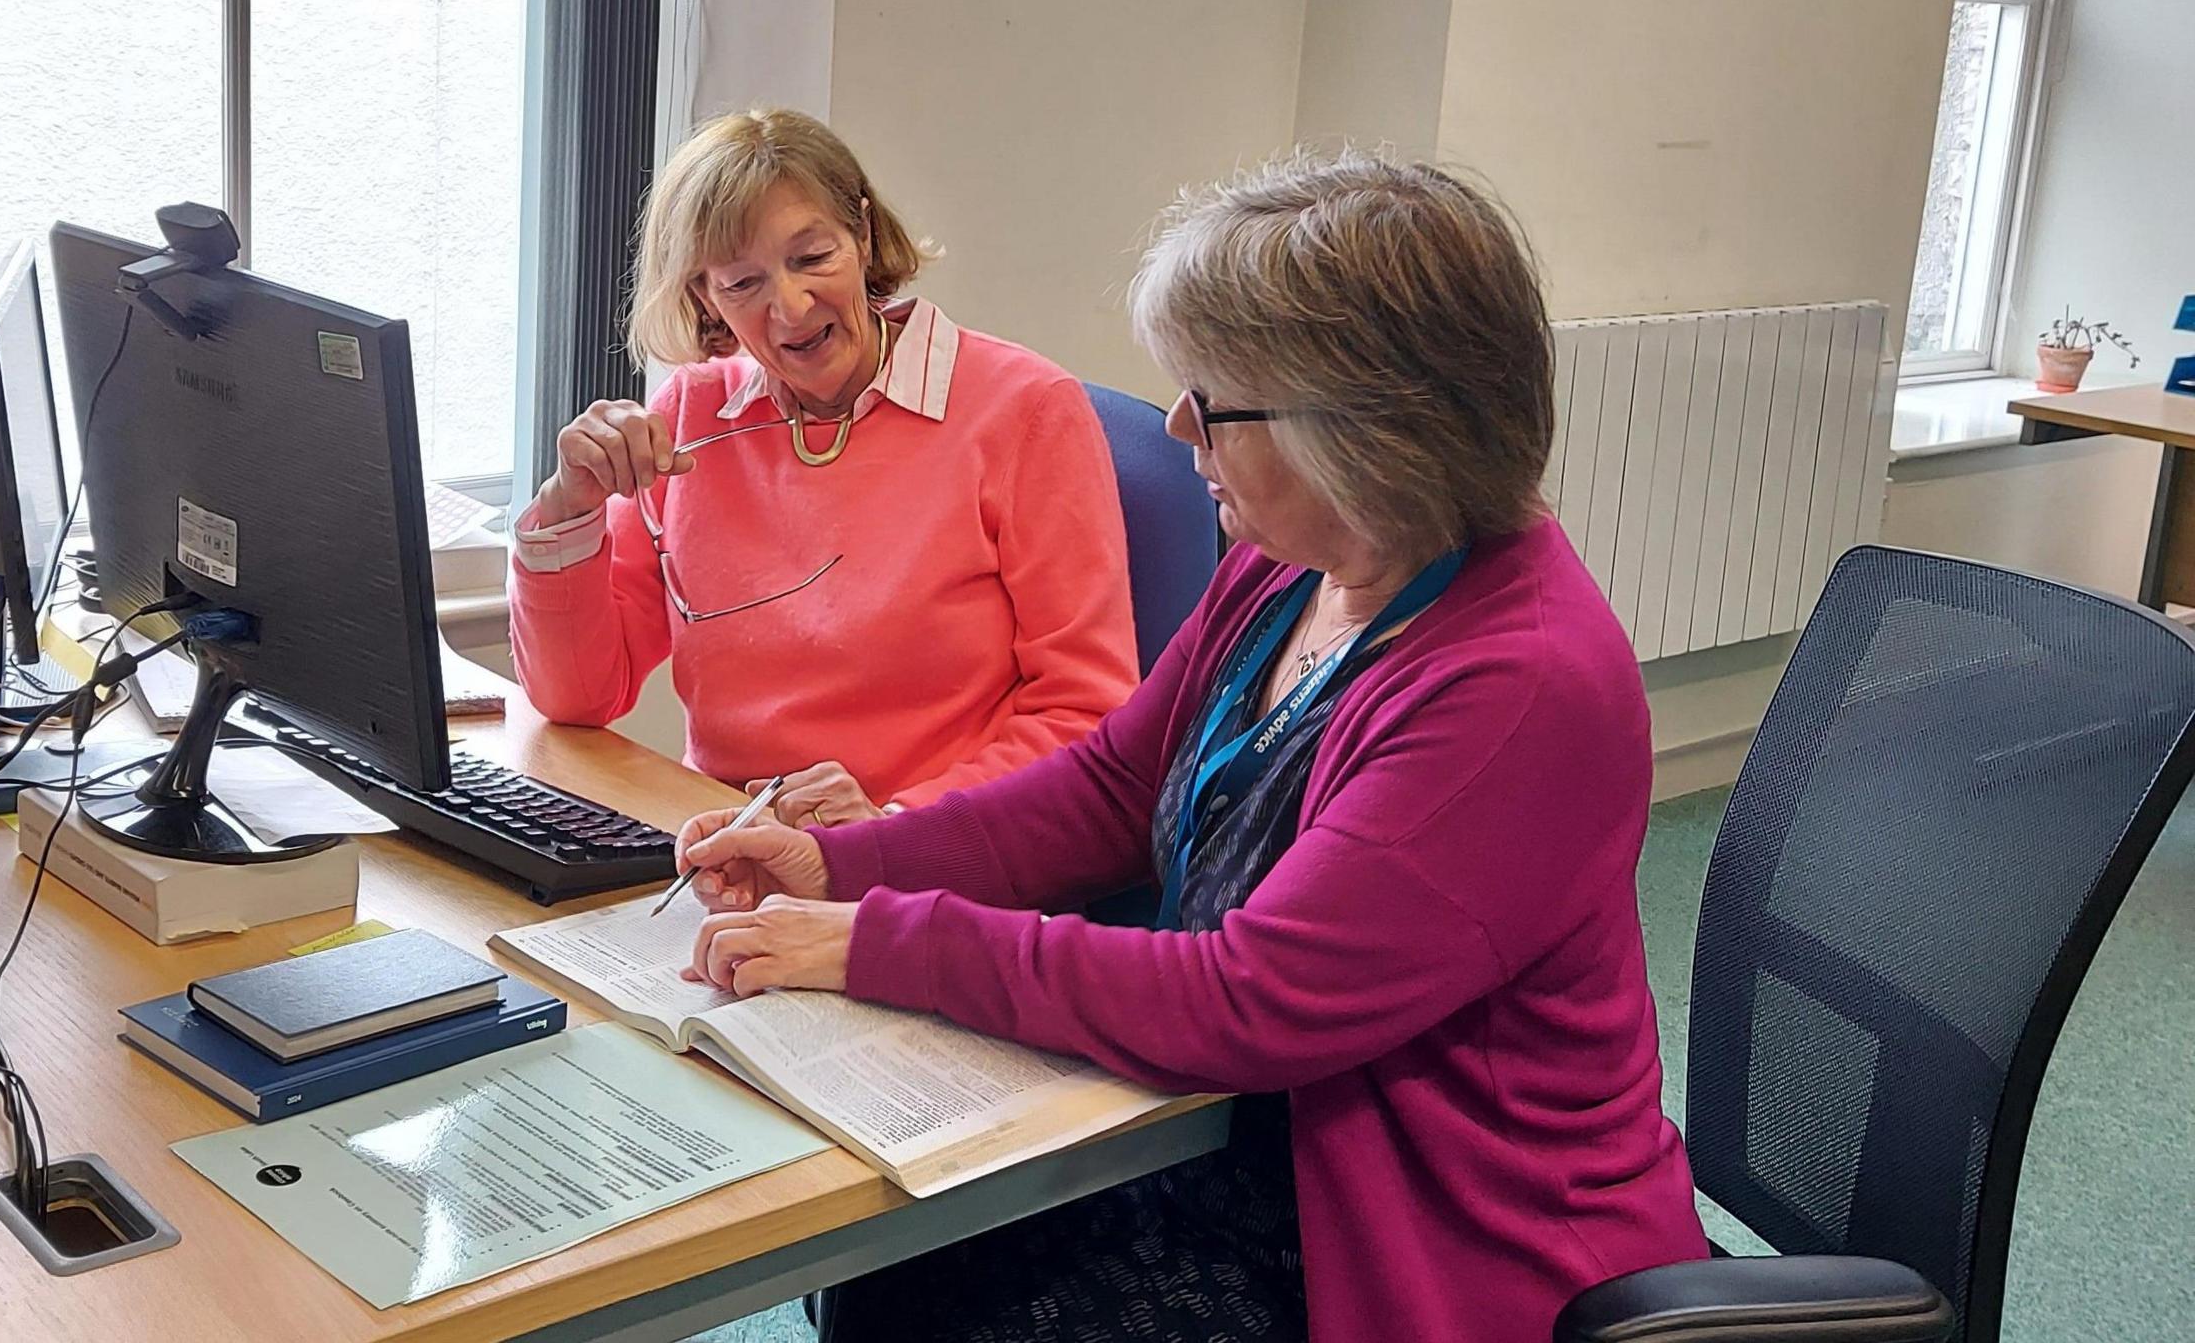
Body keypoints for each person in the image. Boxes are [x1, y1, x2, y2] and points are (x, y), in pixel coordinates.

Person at [670, 150, 1710, 1341]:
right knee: (894, 1263)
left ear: (1364, 429)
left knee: (939, 1300)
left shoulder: (1517, 686)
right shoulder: (1289, 564)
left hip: (1425, 1237)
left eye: (1212, 397)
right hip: (1250, 1140)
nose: (1173, 427)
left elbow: (1249, 1000)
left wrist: (881, 942)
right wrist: (850, 867)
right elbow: (1114, 788)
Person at [507, 109, 1138, 823]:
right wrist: (570, 505)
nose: (792, 307)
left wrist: (894, 831)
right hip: (724, 853)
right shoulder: (692, 413)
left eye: (812, 259)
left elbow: (1087, 713)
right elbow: (579, 696)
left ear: (863, 235)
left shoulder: (1025, 410)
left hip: (929, 856)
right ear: (704, 297)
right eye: (742, 284)